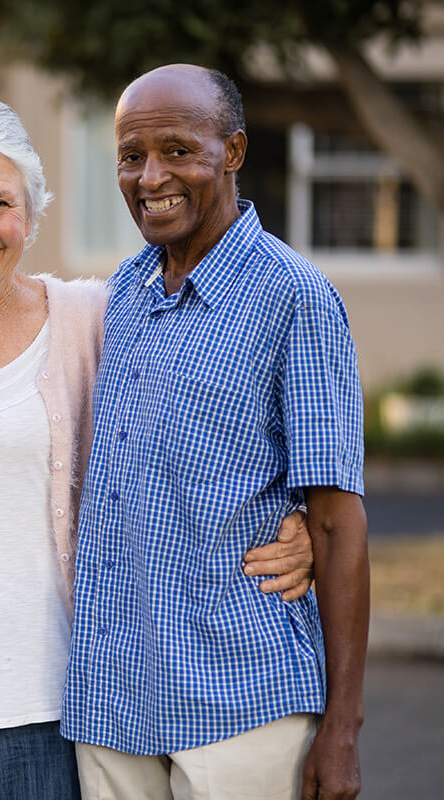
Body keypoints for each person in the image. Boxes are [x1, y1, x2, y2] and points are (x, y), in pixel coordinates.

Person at [0, 93, 315, 800]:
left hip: (58, 695)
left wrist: (298, 517)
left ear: (30, 215)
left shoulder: (91, 318)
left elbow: (197, 414)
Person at [61, 64, 369, 800]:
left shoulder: (294, 297)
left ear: (231, 153)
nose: (150, 176)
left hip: (240, 705)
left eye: (177, 150)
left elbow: (335, 519)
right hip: (115, 706)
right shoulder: (125, 293)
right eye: (132, 156)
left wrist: (342, 729)